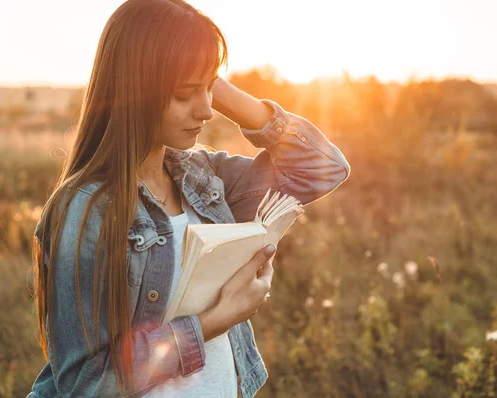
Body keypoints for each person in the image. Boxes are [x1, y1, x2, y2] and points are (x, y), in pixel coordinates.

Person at [27, 0, 350, 397]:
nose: (208, 110)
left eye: (210, 89)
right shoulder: (88, 210)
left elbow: (324, 166)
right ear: (135, 91)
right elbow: (87, 385)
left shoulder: (204, 179)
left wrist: (209, 78)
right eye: (184, 94)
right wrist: (218, 319)